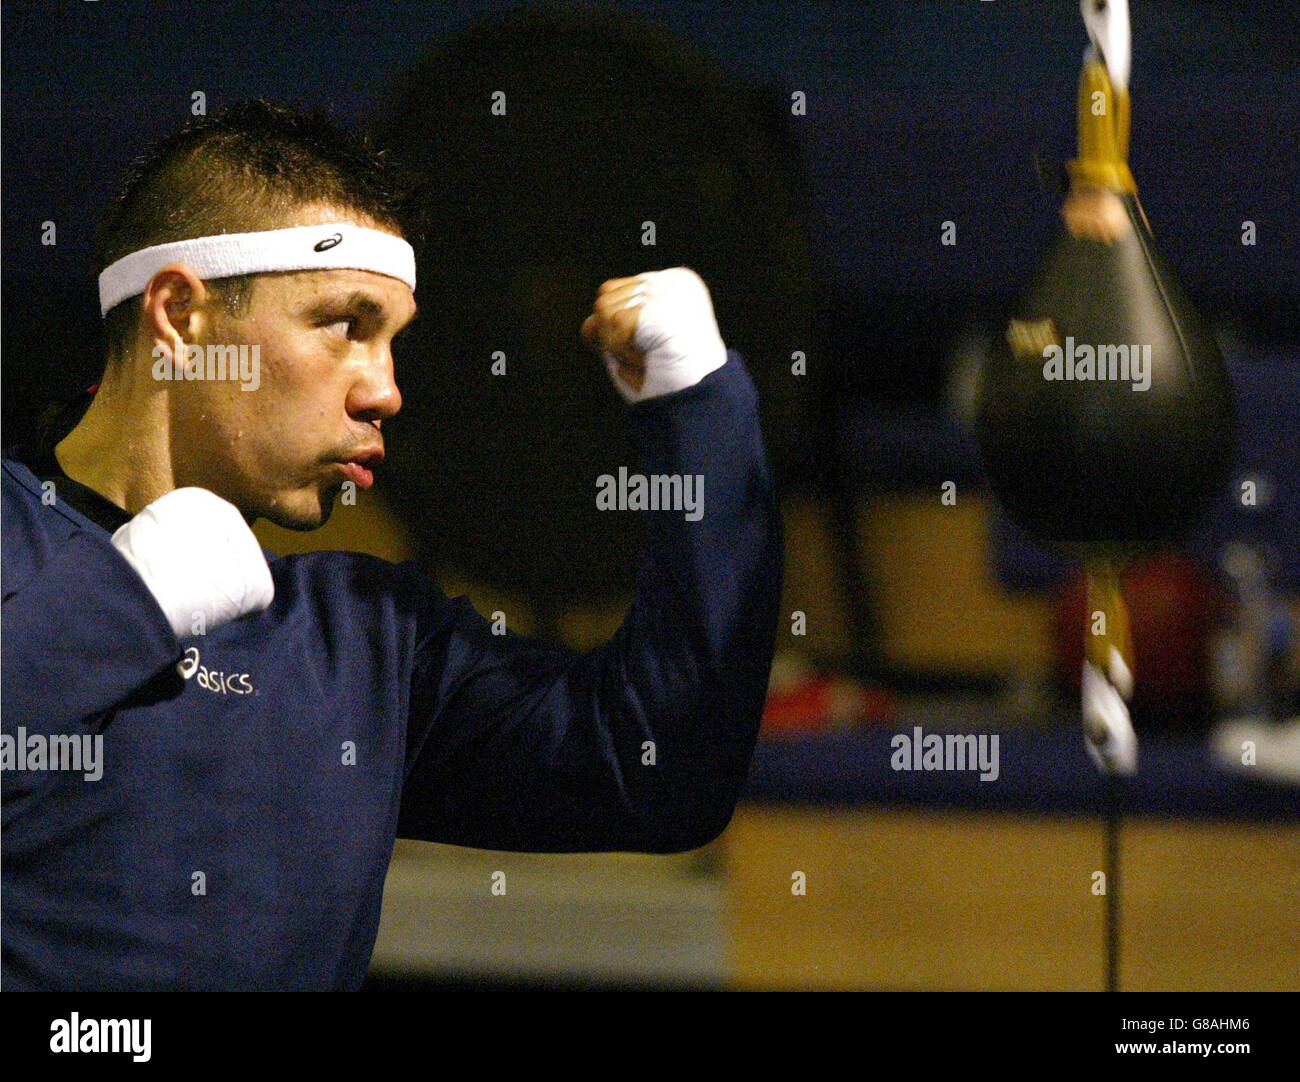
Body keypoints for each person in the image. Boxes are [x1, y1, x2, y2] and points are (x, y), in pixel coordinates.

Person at [0, 101, 783, 991]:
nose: (386, 392)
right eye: (345, 326)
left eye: (394, 343)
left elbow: (661, 773)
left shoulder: (363, 644)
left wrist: (700, 414)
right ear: (181, 316)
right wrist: (119, 605)